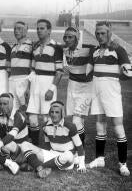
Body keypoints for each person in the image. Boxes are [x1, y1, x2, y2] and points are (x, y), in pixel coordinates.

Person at [86, 21, 130, 176]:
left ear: (110, 33)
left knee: (118, 128)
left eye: (103, 33)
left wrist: (114, 78)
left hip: (112, 94)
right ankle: (99, 158)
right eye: (97, 33)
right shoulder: (95, 51)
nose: (99, 36)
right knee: (100, 124)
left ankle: (122, 164)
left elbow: (129, 73)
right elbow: (90, 71)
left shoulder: (119, 49)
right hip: (97, 92)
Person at [20, 101, 86, 178]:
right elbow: (47, 145)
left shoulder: (70, 126)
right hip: (52, 155)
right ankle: (39, 167)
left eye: (57, 112)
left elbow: (79, 146)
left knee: (68, 155)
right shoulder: (45, 126)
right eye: (52, 112)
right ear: (49, 113)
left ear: (62, 114)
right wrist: (42, 154)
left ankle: (38, 166)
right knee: (24, 144)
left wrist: (81, 165)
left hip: (67, 158)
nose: (54, 115)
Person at [26, 19, 63, 145]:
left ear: (49, 30)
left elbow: (59, 72)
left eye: (42, 28)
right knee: (32, 118)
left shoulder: (56, 47)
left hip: (48, 82)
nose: (39, 31)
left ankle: (51, 147)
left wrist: (51, 89)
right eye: (37, 28)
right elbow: (32, 69)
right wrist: (28, 87)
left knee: (48, 118)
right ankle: (34, 148)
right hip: (35, 83)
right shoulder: (35, 46)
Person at [63, 27, 93, 146]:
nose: (67, 39)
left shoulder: (88, 48)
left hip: (86, 87)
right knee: (78, 119)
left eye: (70, 37)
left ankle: (80, 148)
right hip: (72, 85)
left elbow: (103, 47)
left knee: (76, 120)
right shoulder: (64, 49)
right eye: (65, 37)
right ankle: (80, 143)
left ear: (77, 38)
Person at [9, 21, 33, 110]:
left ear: (26, 31)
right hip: (12, 81)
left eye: (19, 29)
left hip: (24, 80)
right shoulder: (13, 47)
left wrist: (29, 87)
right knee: (13, 109)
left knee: (25, 109)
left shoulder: (31, 46)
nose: (16, 31)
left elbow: (33, 68)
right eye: (15, 29)